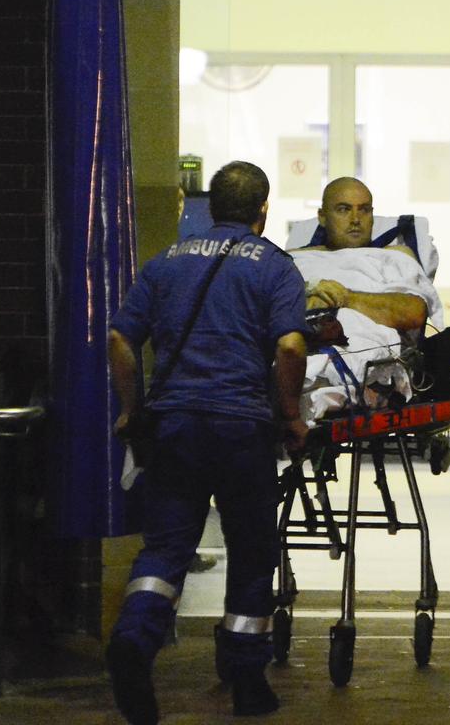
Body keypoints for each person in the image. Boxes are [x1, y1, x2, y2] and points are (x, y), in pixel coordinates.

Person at [105, 160, 309, 723]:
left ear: (209, 207)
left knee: (166, 548)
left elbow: (121, 337)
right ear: (262, 211)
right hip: (241, 429)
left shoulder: (165, 263)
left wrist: (131, 408)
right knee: (250, 552)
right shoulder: (274, 267)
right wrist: (291, 416)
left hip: (173, 427)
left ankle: (134, 639)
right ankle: (247, 683)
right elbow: (291, 348)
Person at [297, 177, 428, 333]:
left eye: (364, 209)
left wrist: (344, 298)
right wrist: (309, 289)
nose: (355, 219)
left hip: (368, 351)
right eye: (343, 209)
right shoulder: (295, 258)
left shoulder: (393, 256)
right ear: (322, 217)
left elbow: (414, 313)